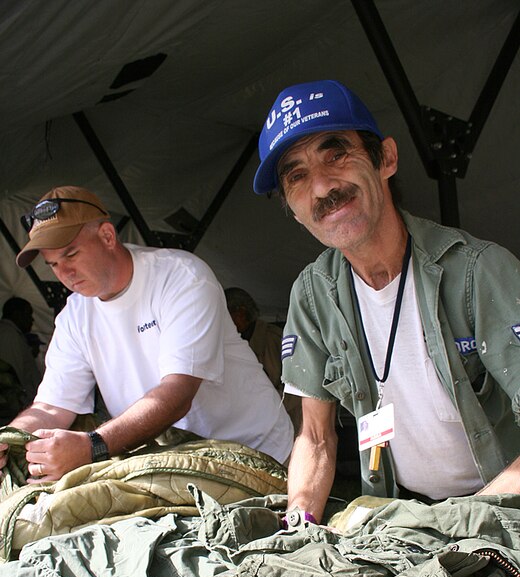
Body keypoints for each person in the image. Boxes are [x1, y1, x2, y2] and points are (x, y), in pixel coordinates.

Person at [253, 79, 520, 521]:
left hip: (503, 506)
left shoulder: (479, 272)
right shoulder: (313, 293)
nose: (321, 188)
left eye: (336, 153)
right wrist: (299, 520)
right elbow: (316, 438)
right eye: (296, 176)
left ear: (386, 159)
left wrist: (468, 522)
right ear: (294, 211)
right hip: (403, 514)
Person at [0, 186, 294, 482]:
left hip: (258, 452)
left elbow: (177, 394)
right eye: (53, 265)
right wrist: (10, 436)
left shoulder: (181, 277)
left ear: (106, 236)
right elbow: (52, 407)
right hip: (179, 464)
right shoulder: (74, 318)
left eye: (72, 254)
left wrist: (93, 446)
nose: (65, 274)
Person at [224, 286, 302, 430]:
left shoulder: (276, 339)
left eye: (225, 314)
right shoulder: (230, 343)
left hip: (285, 427)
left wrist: (261, 404)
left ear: (241, 313)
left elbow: (296, 390)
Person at [0, 296, 42, 418]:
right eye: (28, 314)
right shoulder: (8, 334)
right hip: (17, 405)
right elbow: (13, 375)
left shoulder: (11, 333)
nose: (32, 320)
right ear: (17, 314)